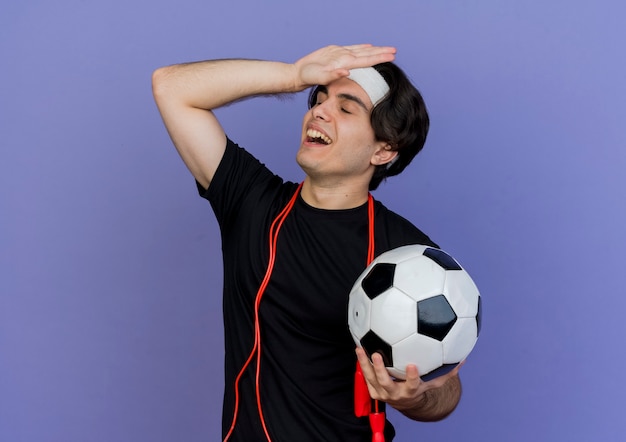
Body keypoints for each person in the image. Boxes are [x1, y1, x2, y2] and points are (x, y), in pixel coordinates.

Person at [152, 44, 462, 441]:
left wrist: (413, 397)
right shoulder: (251, 201)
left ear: (384, 150)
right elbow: (171, 87)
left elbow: (447, 386)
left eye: (346, 108)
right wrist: (294, 75)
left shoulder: (408, 256)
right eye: (318, 98)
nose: (318, 110)